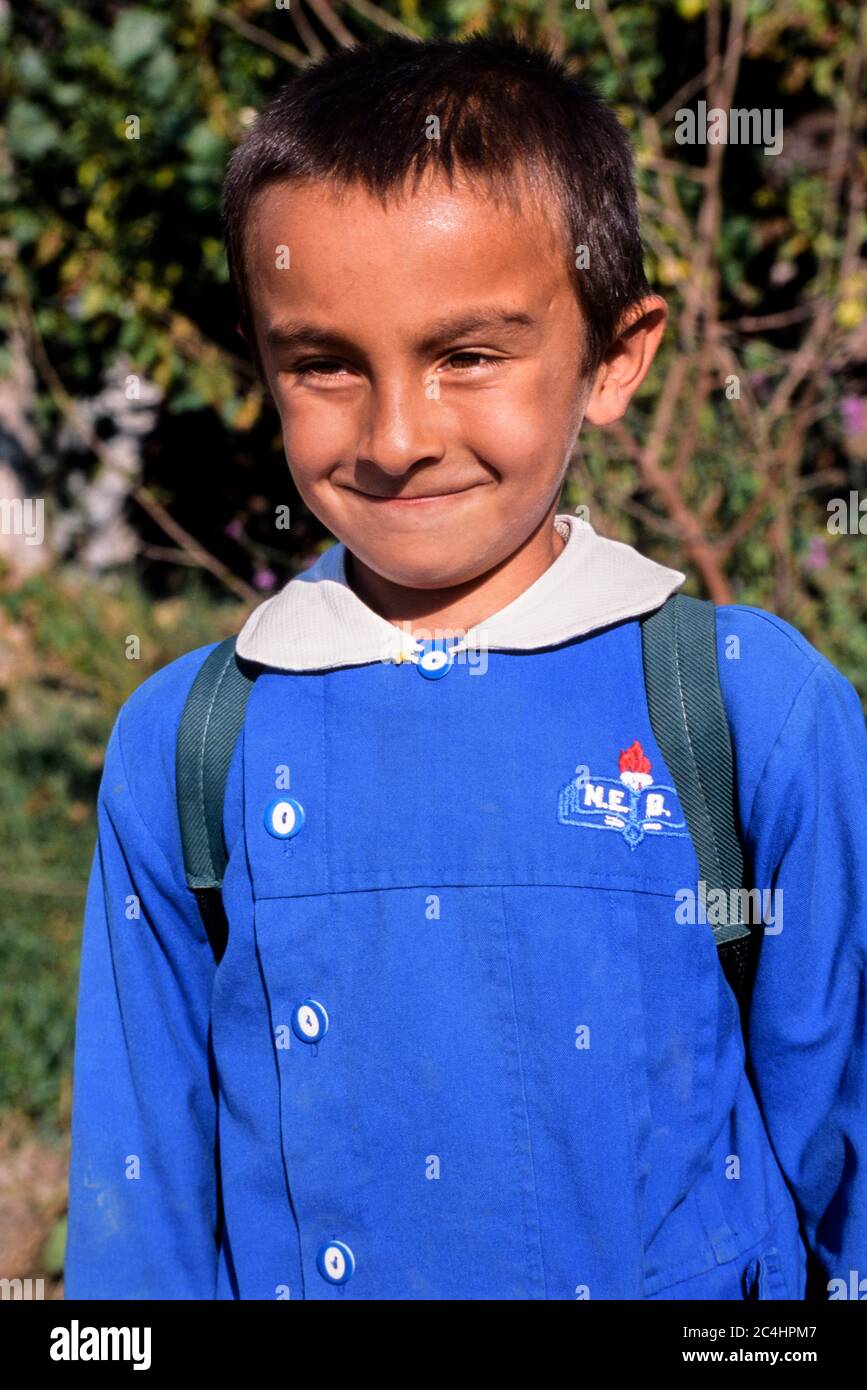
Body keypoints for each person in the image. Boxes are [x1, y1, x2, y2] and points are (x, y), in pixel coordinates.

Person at [64, 33, 867, 1300]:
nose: (394, 435)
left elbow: (846, 1139)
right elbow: (140, 1205)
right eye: (323, 362)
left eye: (468, 356)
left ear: (615, 357)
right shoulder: (190, 741)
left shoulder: (743, 711)